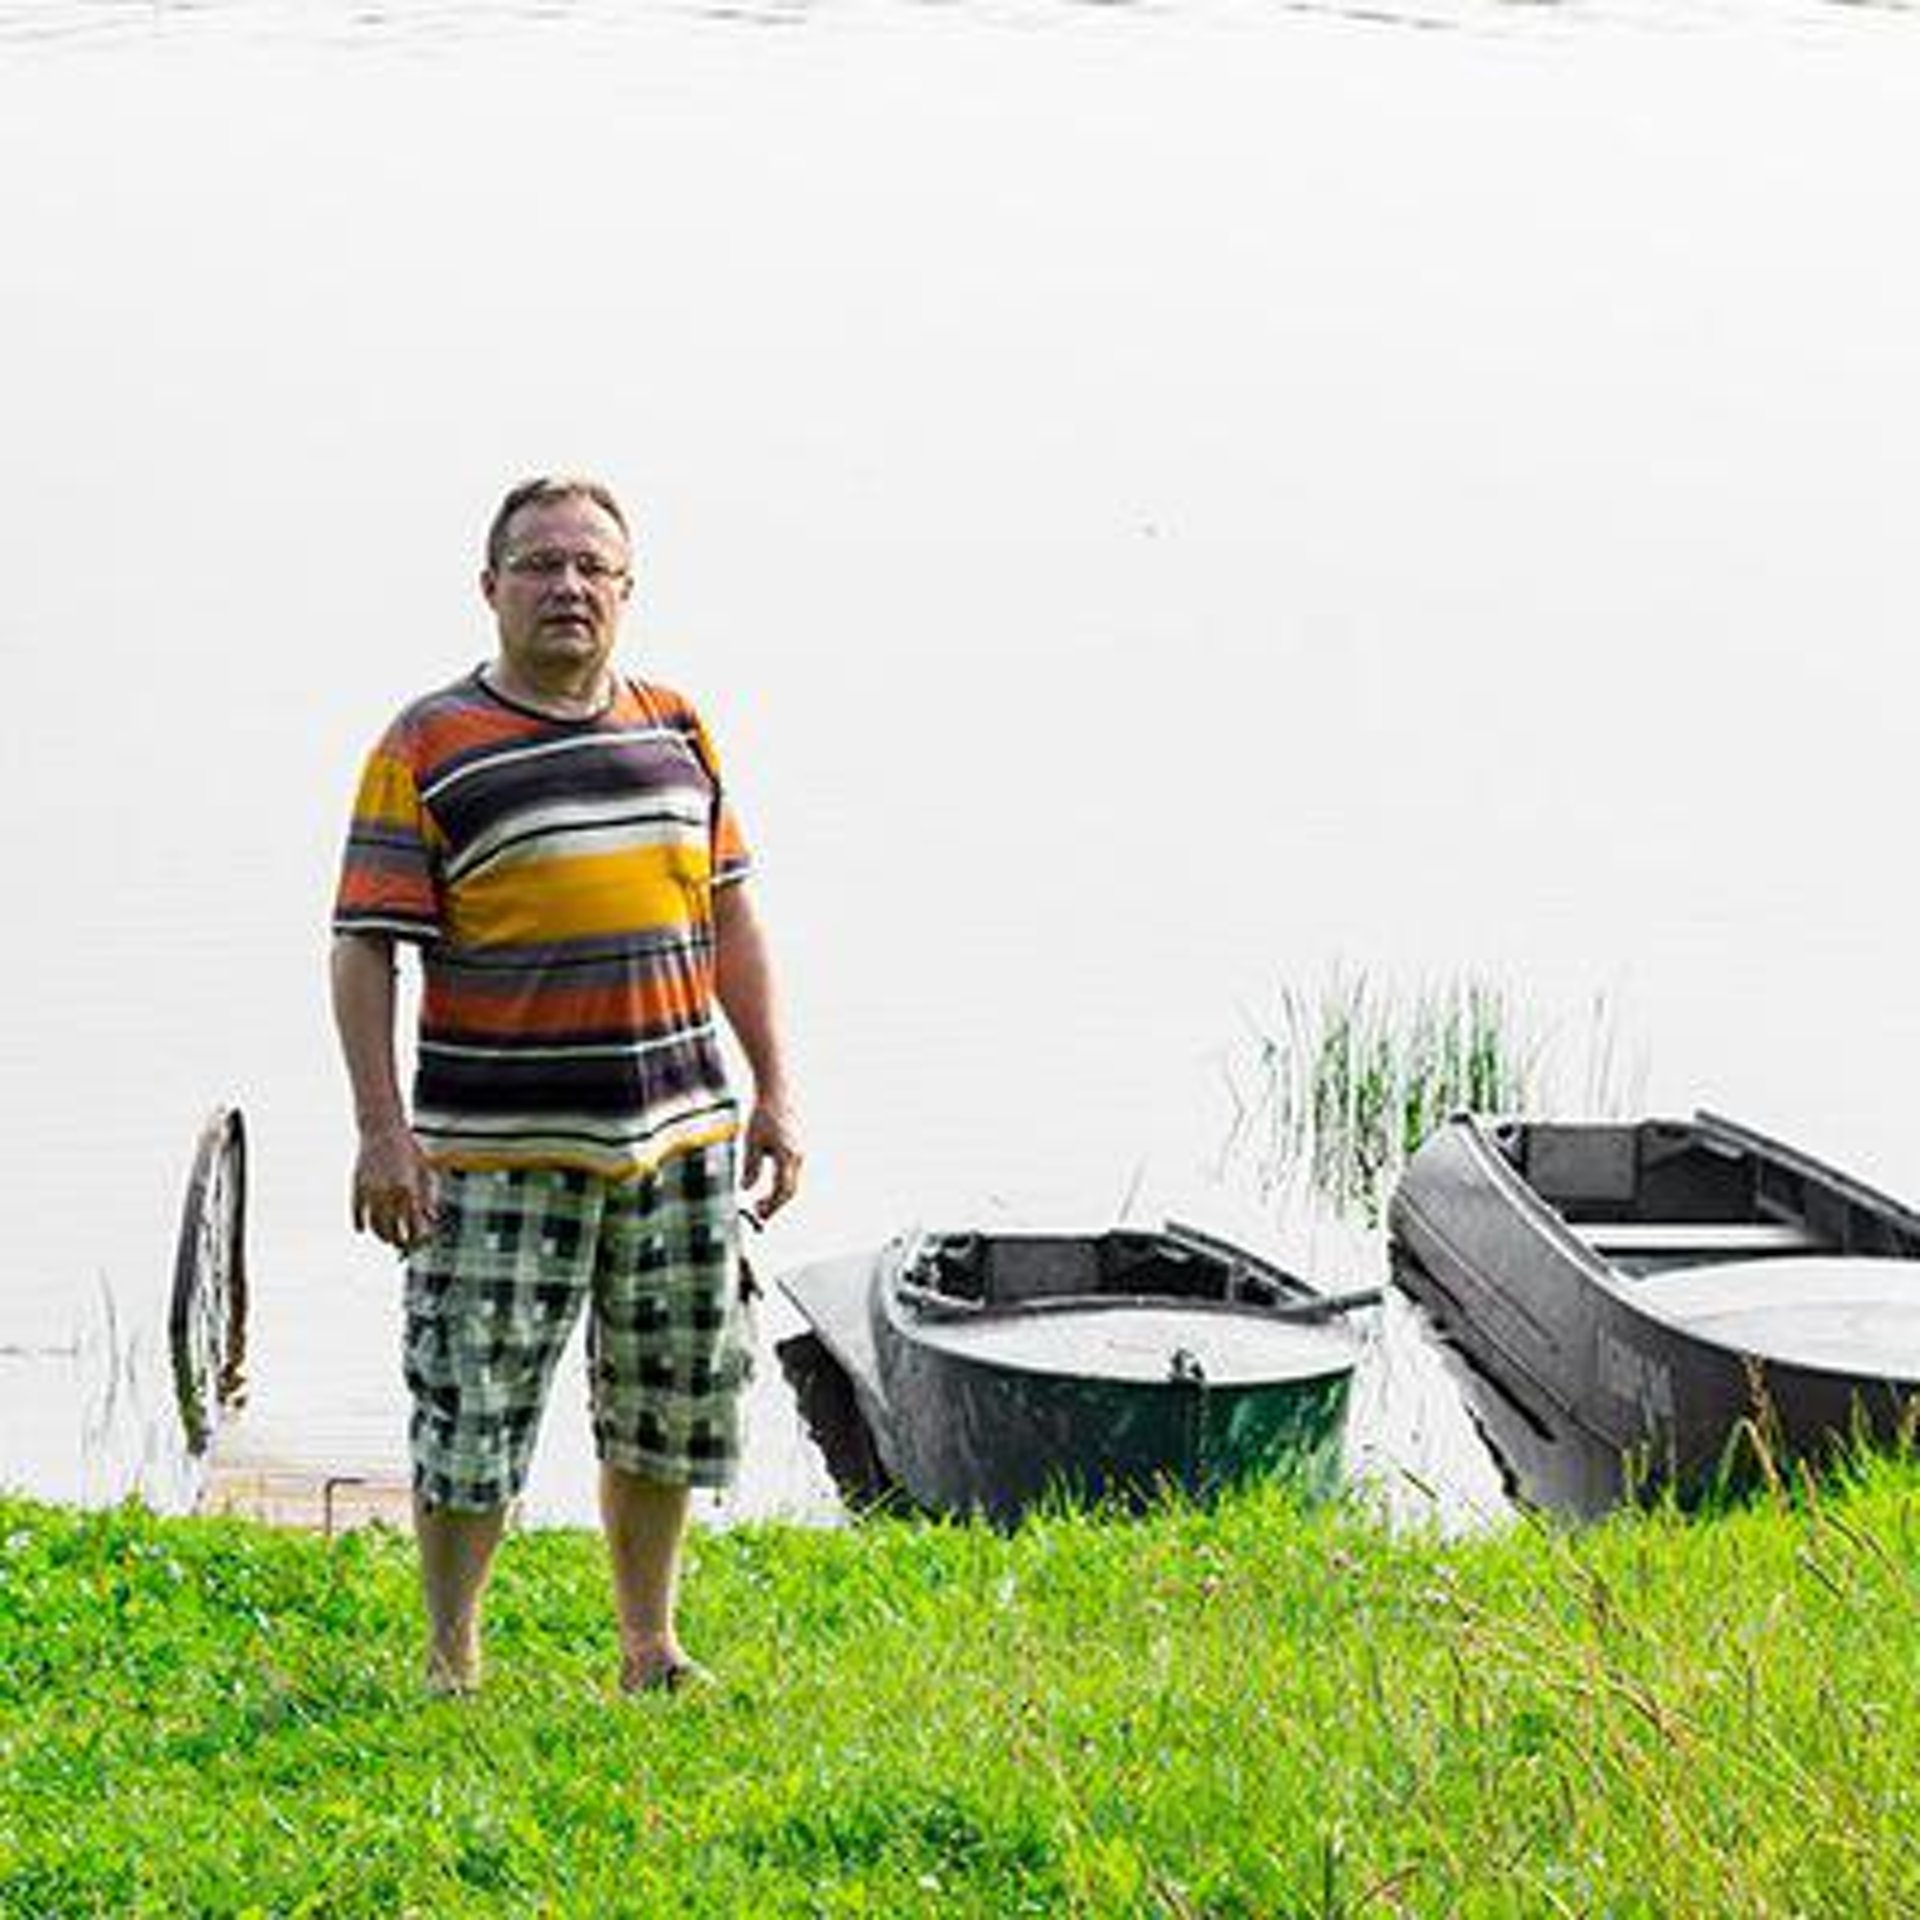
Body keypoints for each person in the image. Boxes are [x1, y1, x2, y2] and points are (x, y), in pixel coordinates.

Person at [330, 474, 800, 1696]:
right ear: (491, 589)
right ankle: (451, 1657)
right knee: (470, 1412)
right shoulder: (427, 743)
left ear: (628, 591)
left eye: (593, 567)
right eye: (540, 565)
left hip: (678, 1139)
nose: (568, 588)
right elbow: (361, 945)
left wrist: (778, 1096)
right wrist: (383, 1132)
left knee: (666, 1407)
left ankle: (650, 1646)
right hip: (493, 1148)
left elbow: (734, 920)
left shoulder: (678, 725)